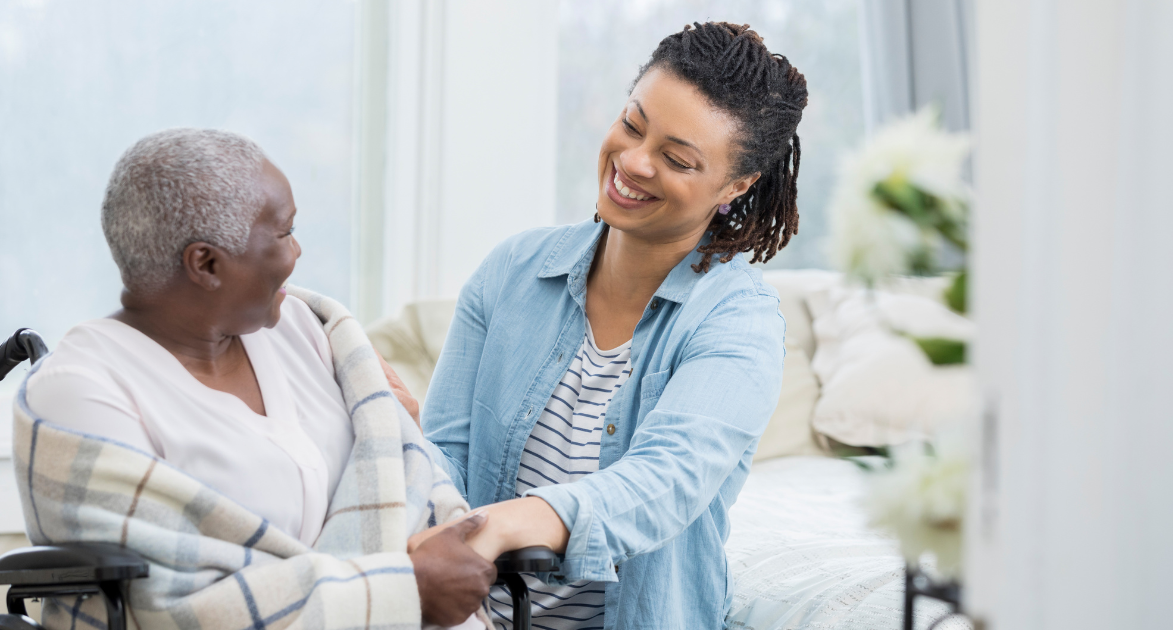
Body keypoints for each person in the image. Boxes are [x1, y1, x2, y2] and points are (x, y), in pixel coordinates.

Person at [416, 22, 809, 629]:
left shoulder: (738, 322)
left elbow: (666, 480)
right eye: (632, 124)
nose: (632, 161)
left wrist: (505, 523)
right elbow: (445, 459)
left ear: (735, 185)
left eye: (676, 159)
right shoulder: (512, 271)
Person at [22, 128, 493, 627]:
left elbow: (414, 484)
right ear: (206, 263)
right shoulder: (79, 391)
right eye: (285, 232)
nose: (298, 253)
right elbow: (168, 609)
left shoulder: (308, 330)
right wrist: (404, 590)